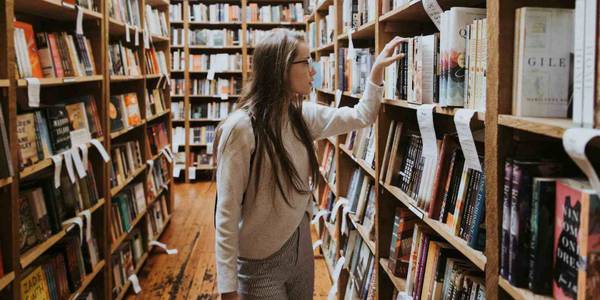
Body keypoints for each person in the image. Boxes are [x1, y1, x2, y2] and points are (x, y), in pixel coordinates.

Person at [214, 29, 404, 300]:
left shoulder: (302, 115)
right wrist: (227, 288)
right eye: (306, 63)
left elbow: (361, 116)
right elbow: (226, 211)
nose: (314, 70)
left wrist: (375, 74)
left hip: (300, 249)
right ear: (281, 69)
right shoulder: (241, 128)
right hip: (259, 264)